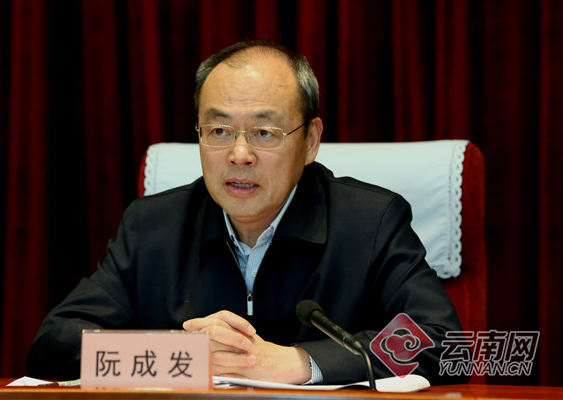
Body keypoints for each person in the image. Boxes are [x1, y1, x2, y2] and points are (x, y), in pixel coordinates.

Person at [26, 40, 469, 385]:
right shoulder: (153, 226)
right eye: (219, 130)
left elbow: (443, 344)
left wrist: (299, 362)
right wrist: (183, 355)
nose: (239, 155)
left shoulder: (369, 222)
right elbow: (53, 344)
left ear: (310, 141)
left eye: (264, 132)